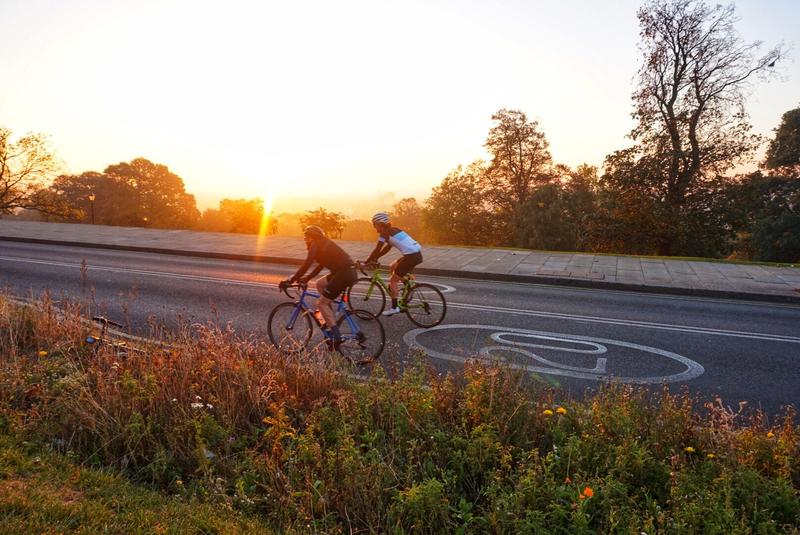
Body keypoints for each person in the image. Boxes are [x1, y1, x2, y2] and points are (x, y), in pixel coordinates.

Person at [280, 225, 357, 347]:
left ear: (312, 237)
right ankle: (329, 320)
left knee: (321, 304)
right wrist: (306, 278)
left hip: (344, 274)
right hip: (346, 272)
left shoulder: (316, 244)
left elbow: (307, 263)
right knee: (319, 284)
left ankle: (336, 336)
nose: (305, 240)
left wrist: (291, 280)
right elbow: (319, 267)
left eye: (306, 237)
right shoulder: (323, 244)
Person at [364, 212, 423, 316]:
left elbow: (377, 248)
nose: (374, 227)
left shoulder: (384, 234)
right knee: (393, 266)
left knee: (393, 280)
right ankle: (407, 287)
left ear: (380, 224)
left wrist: (367, 261)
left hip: (411, 257)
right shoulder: (394, 229)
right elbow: (387, 248)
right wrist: (376, 257)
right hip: (415, 254)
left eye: (375, 224)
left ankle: (394, 307)